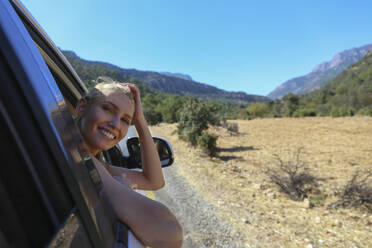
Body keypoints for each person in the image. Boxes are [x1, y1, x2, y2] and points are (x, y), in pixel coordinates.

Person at [75, 82, 183, 248]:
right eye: (107, 108)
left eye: (126, 120)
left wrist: (139, 118)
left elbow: (154, 181)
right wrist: (123, 186)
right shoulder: (79, 159)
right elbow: (170, 233)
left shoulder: (97, 164)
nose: (116, 124)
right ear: (82, 107)